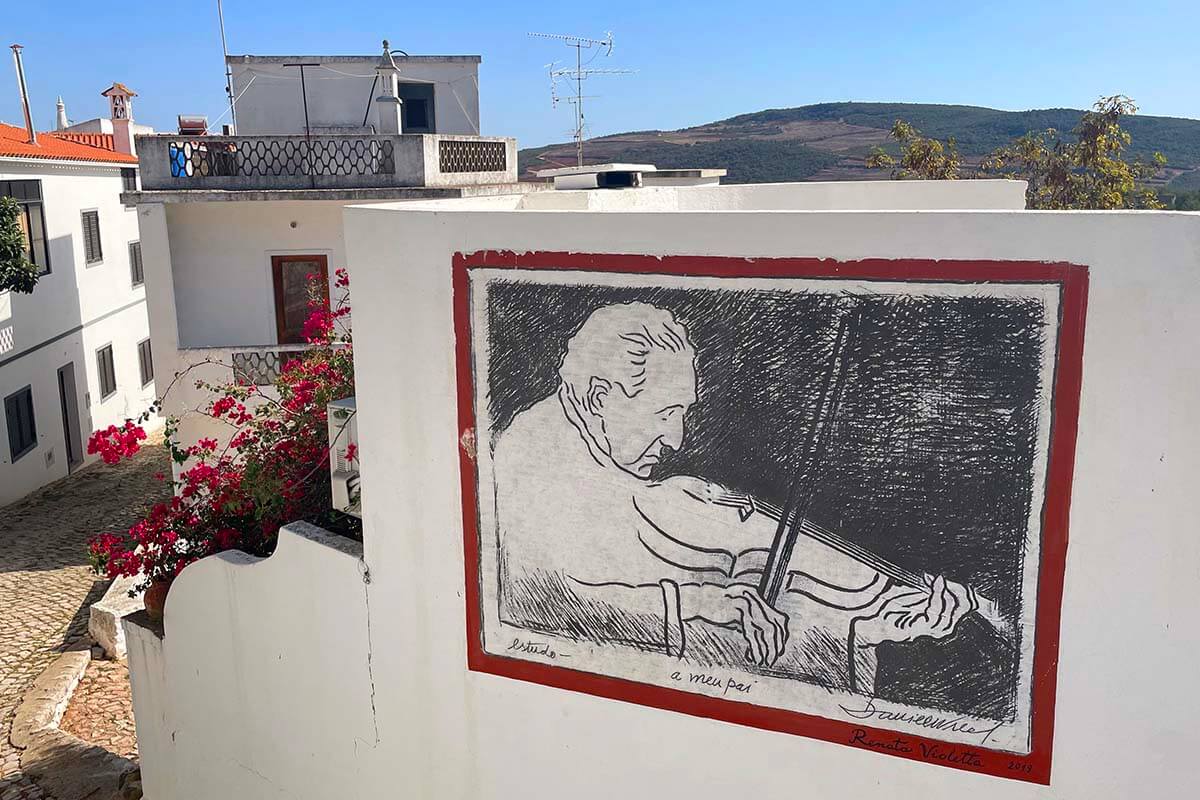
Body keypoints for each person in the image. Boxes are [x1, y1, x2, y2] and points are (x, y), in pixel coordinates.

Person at [492, 302, 974, 692]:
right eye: (664, 414)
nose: (676, 439)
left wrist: (873, 611)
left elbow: (744, 567)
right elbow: (543, 603)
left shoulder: (612, 468)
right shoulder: (533, 454)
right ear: (600, 398)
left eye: (682, 413)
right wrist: (702, 601)